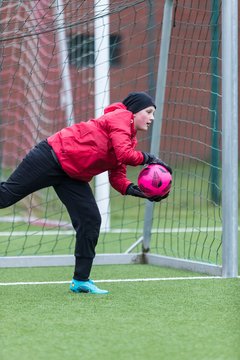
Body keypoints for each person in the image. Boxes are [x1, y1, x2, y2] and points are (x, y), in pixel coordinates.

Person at [0, 92, 172, 294]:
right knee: (5, 198)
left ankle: (81, 280)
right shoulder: (121, 118)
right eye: (148, 112)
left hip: (72, 175)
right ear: (133, 112)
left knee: (90, 220)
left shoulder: (127, 138)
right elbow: (126, 155)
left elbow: (117, 178)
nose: (152, 117)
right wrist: (150, 158)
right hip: (50, 157)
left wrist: (142, 193)